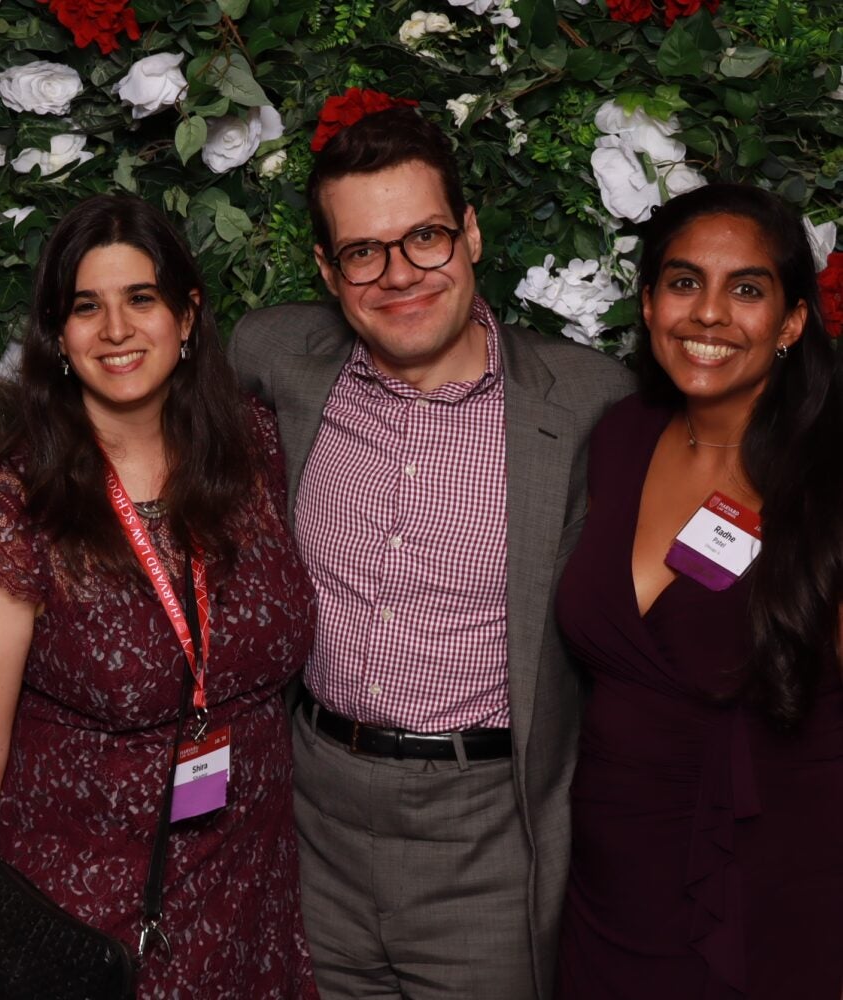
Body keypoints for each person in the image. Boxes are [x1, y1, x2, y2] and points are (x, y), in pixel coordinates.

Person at [230, 108, 633, 999]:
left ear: (473, 233)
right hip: (310, 823)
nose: (400, 274)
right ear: (330, 273)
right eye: (365, 252)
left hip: (488, 833)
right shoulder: (274, 358)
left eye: (425, 237)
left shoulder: (589, 402)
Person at [0, 194, 319, 999]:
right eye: (86, 308)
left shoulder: (257, 454)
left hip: (254, 912)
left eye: (141, 299)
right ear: (58, 337)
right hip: (94, 932)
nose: (116, 330)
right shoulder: (12, 512)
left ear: (188, 315)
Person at [554, 183, 843, 998]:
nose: (709, 314)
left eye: (746, 289)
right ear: (647, 305)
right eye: (684, 282)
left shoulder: (829, 476)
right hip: (612, 882)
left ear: (790, 322)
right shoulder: (617, 438)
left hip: (781, 886)